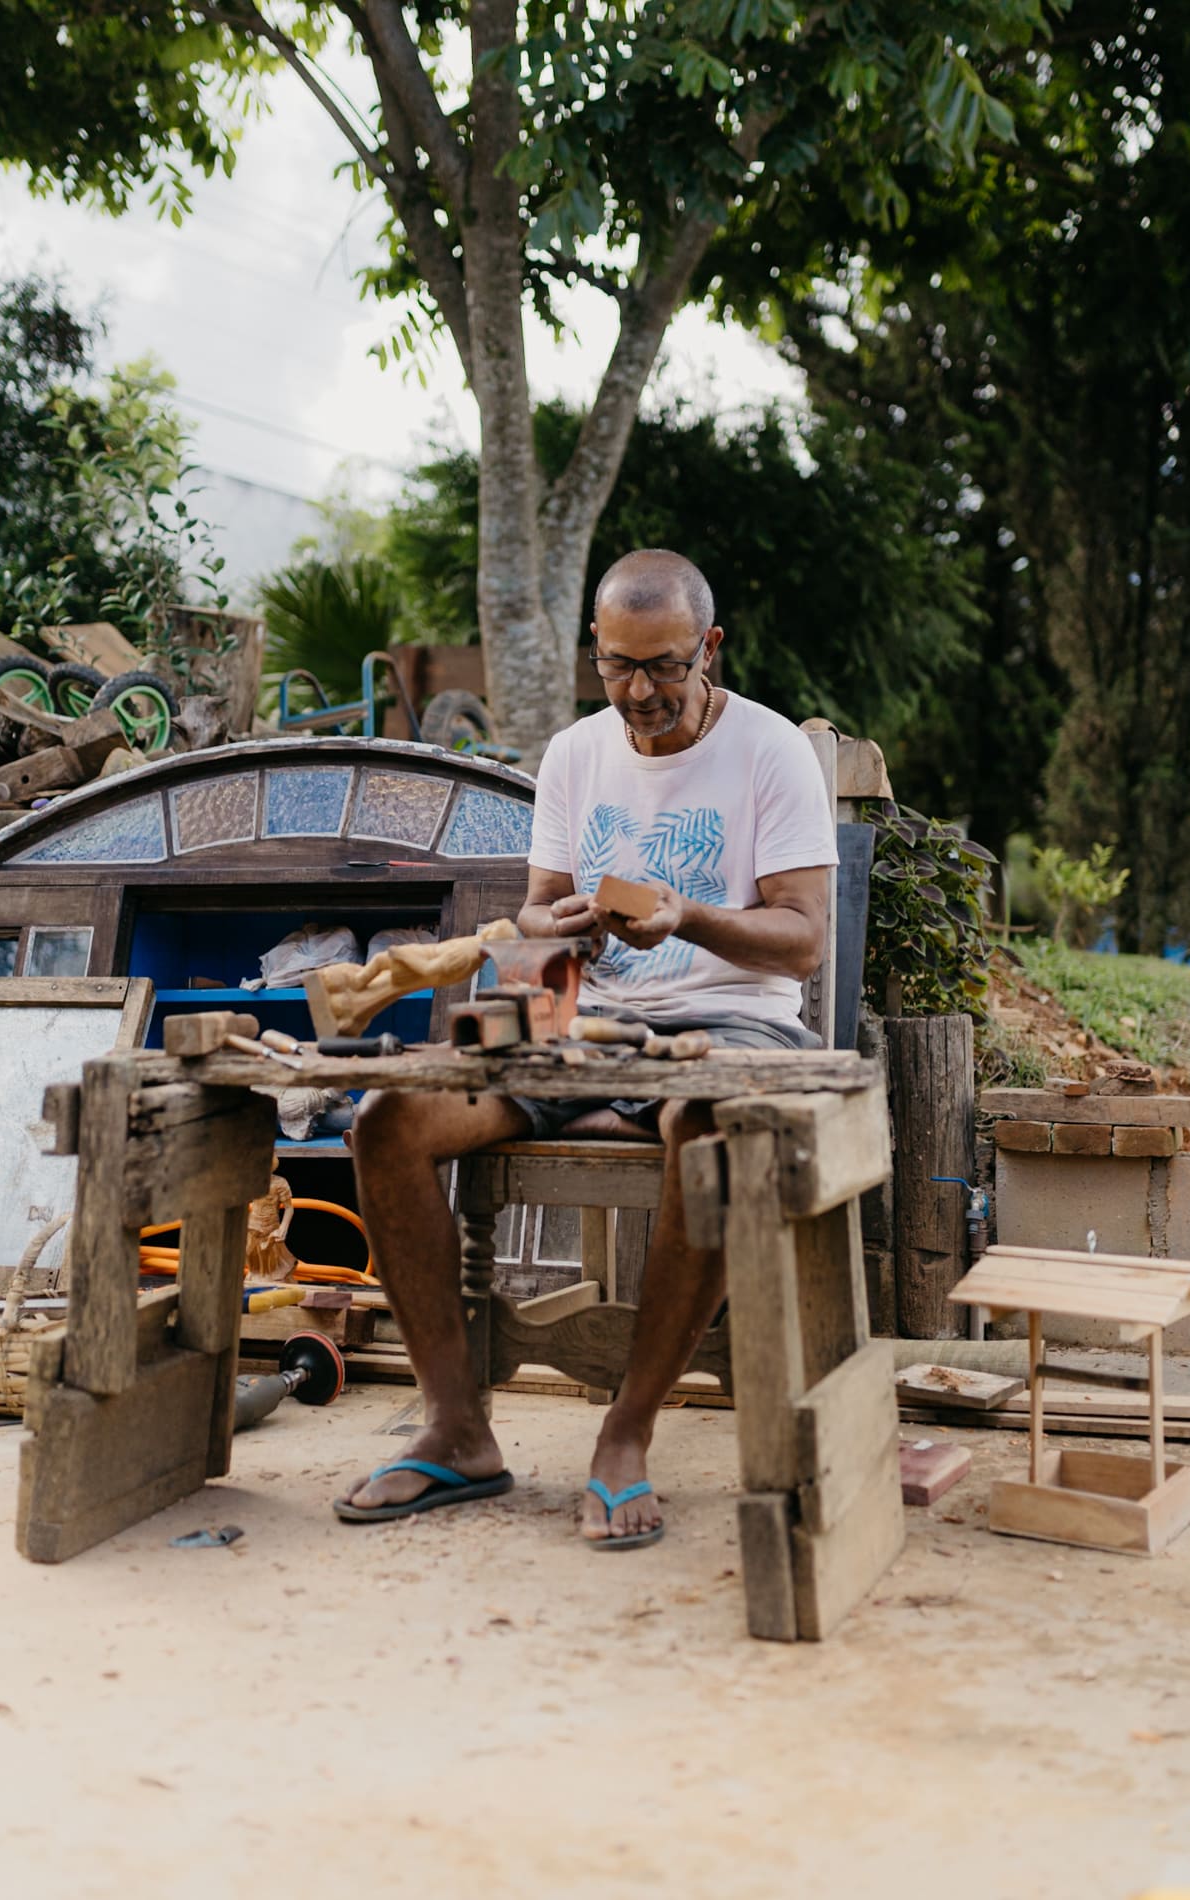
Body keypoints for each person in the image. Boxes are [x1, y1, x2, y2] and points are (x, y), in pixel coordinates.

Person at [337, 548, 837, 1547]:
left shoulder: (770, 751)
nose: (640, 691)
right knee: (387, 1119)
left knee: (707, 1130)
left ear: (710, 648)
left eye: (664, 665)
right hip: (589, 1028)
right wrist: (558, 923)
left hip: (731, 1022)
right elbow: (532, 910)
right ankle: (455, 1429)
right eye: (617, 666)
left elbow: (804, 935)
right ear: (594, 654)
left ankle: (625, 1433)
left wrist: (684, 916)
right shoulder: (573, 753)